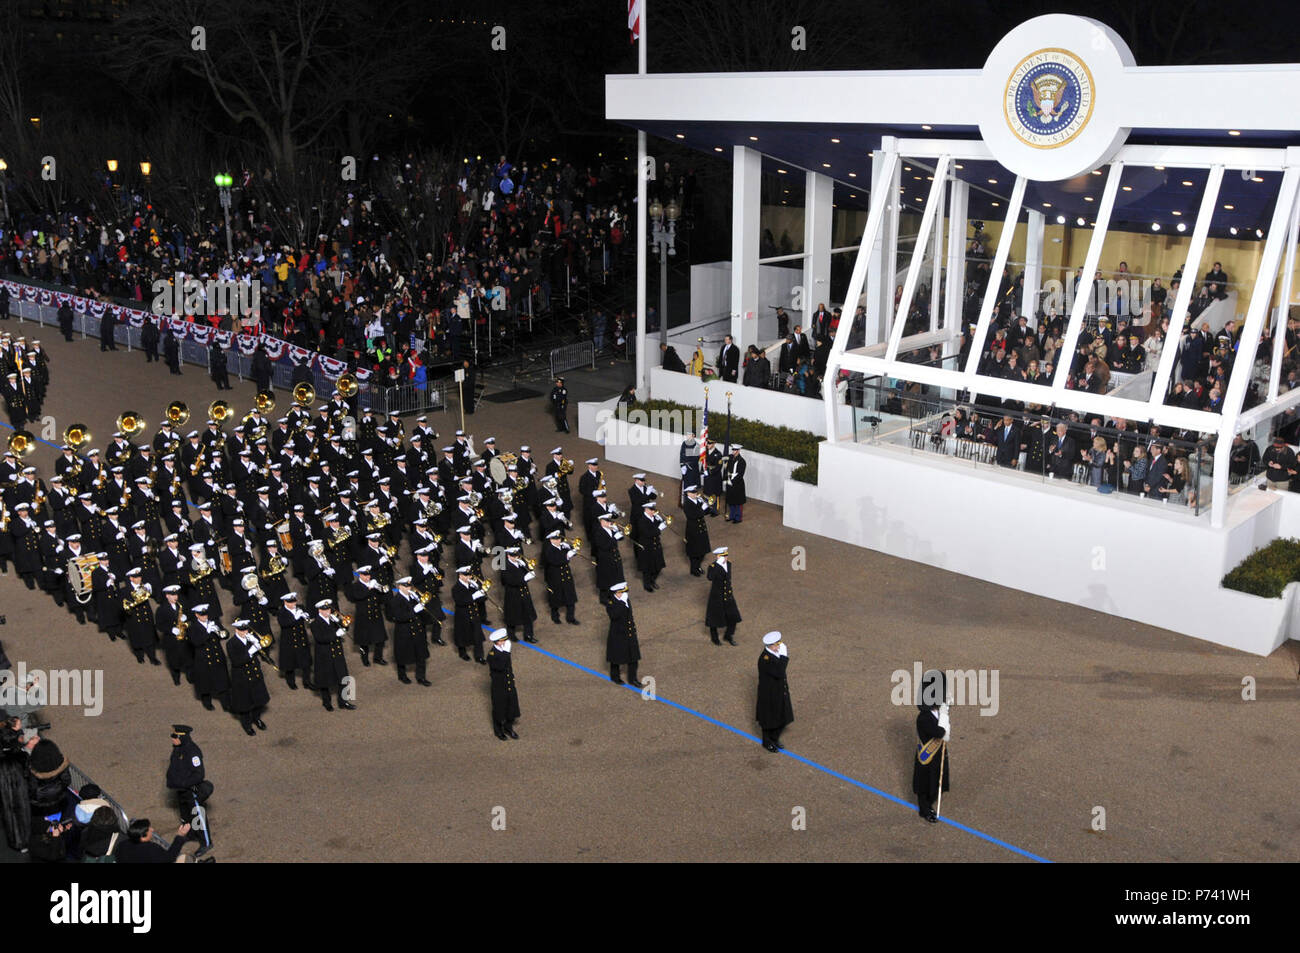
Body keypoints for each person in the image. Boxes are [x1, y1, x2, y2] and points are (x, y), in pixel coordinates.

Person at [165, 724, 214, 857]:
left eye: (174, 736)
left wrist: (184, 783)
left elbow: (199, 774)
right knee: (186, 815)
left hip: (191, 790)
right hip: (180, 790)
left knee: (198, 816)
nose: (172, 738)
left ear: (183, 737)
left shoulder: (192, 751)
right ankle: (191, 834)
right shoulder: (177, 749)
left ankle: (206, 842)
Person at [912, 670, 951, 824]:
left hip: (937, 754)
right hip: (927, 757)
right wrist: (944, 718)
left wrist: (944, 712)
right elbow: (939, 732)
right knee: (924, 784)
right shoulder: (923, 718)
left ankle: (931, 801)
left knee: (934, 782)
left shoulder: (936, 712)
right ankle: (925, 809)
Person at [756, 632, 793, 753]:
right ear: (770, 646)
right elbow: (779, 673)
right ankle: (767, 742)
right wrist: (784, 657)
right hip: (769, 695)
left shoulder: (774, 654)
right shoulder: (765, 659)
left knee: (783, 717)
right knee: (769, 720)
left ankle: (774, 738)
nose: (778, 647)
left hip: (779, 691)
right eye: (776, 645)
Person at [487, 628, 521, 741]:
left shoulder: (503, 649)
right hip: (499, 687)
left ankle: (508, 727)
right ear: (497, 642)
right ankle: (498, 730)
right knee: (499, 709)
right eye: (503, 641)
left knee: (511, 706)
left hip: (509, 683)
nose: (505, 642)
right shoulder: (492, 655)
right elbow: (500, 666)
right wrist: (506, 652)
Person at [604, 581, 641, 685]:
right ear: (615, 593)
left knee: (634, 658)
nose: (623, 594)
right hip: (618, 635)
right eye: (620, 592)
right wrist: (621, 603)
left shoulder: (625, 599)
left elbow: (629, 615)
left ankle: (633, 679)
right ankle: (615, 677)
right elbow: (614, 616)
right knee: (616, 658)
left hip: (629, 633)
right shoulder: (611, 603)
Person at [705, 546, 741, 645]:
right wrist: (717, 565)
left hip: (728, 595)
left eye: (726, 556)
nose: (725, 558)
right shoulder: (713, 567)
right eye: (723, 556)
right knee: (714, 619)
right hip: (717, 597)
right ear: (718, 557)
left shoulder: (728, 564)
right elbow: (710, 577)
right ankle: (714, 638)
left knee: (733, 617)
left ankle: (728, 635)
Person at [115, 817, 190, 863]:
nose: (152, 829)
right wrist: (180, 836)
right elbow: (169, 857)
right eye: (149, 829)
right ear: (142, 837)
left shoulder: (122, 845)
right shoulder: (151, 849)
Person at [722, 444, 747, 523]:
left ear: (739, 451)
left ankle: (738, 517)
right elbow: (725, 465)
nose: (733, 451)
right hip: (730, 482)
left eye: (735, 450)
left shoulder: (742, 461)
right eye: (732, 450)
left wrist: (732, 479)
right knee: (731, 501)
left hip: (737, 484)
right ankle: (732, 515)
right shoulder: (730, 458)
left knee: (738, 502)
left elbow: (740, 474)